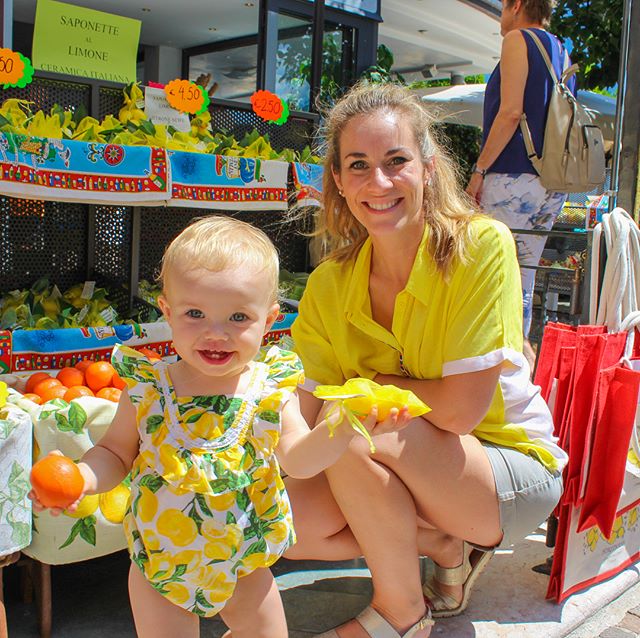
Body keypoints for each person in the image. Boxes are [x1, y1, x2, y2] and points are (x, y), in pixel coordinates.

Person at [29, 215, 411, 638]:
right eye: (195, 313)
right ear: (168, 313)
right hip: (161, 565)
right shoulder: (148, 390)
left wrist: (341, 426)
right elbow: (115, 454)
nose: (216, 334)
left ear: (268, 322)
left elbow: (299, 461)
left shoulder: (268, 391)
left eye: (238, 317)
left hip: (243, 562)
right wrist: (82, 476)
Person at [285, 82, 568, 638]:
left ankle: (401, 613)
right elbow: (304, 404)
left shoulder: (479, 246)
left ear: (429, 167)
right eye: (359, 165)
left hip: (505, 471)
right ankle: (440, 543)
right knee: (287, 518)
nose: (379, 182)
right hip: (403, 455)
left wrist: (369, 386)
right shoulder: (328, 282)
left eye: (396, 161)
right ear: (338, 182)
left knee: (350, 427)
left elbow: (461, 413)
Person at [465, 0, 576, 368]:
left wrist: (479, 170)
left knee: (493, 270)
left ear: (516, 5)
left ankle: (493, 368)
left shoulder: (518, 40)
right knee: (521, 280)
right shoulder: (561, 50)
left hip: (513, 175)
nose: (501, 15)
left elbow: (511, 112)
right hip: (551, 181)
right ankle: (518, 366)